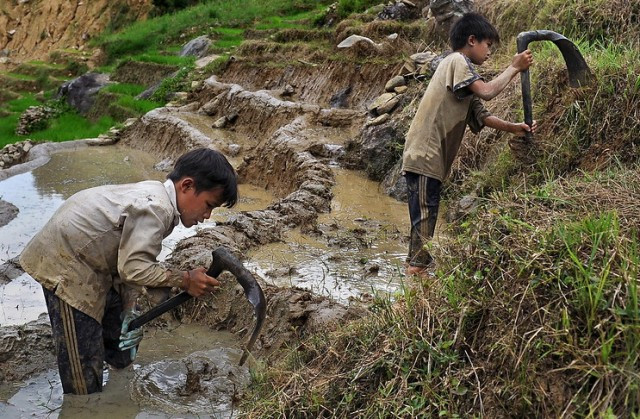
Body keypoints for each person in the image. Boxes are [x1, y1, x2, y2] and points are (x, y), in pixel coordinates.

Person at [19, 147, 238, 394]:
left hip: (98, 263)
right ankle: (84, 405)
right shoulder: (158, 208)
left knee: (121, 343)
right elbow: (134, 269)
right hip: (67, 265)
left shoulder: (156, 197)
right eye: (208, 205)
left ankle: (117, 388)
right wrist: (185, 280)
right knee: (82, 371)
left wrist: (129, 307)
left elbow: (129, 261)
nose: (207, 216)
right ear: (187, 186)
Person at [402, 12, 537, 276]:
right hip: (425, 157)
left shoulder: (461, 80)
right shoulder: (457, 60)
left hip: (428, 161)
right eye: (488, 45)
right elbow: (487, 92)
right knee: (422, 240)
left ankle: (414, 279)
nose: (489, 52)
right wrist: (514, 67)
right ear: (472, 40)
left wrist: (515, 128)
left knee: (423, 230)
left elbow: (482, 116)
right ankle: (414, 290)